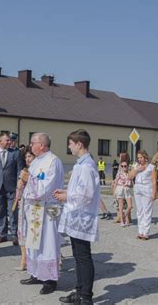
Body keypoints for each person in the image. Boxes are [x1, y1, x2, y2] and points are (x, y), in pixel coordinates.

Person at [55, 129, 100, 305]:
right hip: (76, 215)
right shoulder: (81, 164)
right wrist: (67, 192)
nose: (69, 146)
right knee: (77, 255)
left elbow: (87, 194)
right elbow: (79, 190)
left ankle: (86, 297)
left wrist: (67, 196)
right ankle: (79, 291)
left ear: (79, 144)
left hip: (83, 217)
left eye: (71, 143)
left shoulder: (87, 166)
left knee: (83, 256)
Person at [19, 133, 64, 295]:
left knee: (48, 243)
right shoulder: (37, 161)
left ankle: (50, 280)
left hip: (49, 208)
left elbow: (47, 187)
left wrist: (28, 178)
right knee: (34, 243)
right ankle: (37, 273)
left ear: (42, 145)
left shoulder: (53, 161)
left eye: (33, 143)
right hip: (36, 208)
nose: (30, 146)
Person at [0, 132, 24, 245]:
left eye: (9, 140)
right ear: (0, 141)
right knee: (0, 211)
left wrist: (19, 186)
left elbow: (19, 170)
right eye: (6, 140)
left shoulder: (16, 153)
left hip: (12, 187)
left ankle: (14, 234)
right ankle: (3, 234)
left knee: (12, 212)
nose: (9, 142)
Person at [13, 148, 35, 271]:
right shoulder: (24, 171)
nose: (27, 159)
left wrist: (29, 180)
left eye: (30, 157)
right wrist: (20, 184)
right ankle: (24, 259)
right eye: (26, 157)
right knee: (22, 232)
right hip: (23, 204)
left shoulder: (39, 171)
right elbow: (19, 191)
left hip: (34, 206)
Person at [129, 150, 157, 240]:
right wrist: (137, 170)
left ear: (145, 157)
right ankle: (140, 231)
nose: (139, 159)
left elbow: (153, 181)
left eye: (141, 157)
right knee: (139, 211)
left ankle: (146, 233)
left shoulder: (151, 167)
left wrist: (154, 193)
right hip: (138, 188)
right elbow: (130, 176)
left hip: (147, 188)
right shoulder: (136, 166)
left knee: (147, 211)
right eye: (138, 158)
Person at [112, 161, 133, 227]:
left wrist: (131, 185)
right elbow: (115, 182)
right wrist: (114, 192)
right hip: (120, 189)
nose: (123, 167)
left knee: (130, 206)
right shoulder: (119, 174)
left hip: (127, 189)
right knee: (120, 206)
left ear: (127, 166)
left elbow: (132, 183)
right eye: (122, 166)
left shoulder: (129, 173)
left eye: (125, 166)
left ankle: (125, 217)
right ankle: (122, 221)